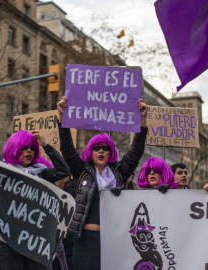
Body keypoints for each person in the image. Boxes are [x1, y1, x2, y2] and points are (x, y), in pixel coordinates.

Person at [57, 96, 148, 270]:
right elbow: (67, 149)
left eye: (105, 148)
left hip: (112, 242)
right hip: (84, 242)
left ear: (110, 152)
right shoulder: (82, 171)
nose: (101, 151)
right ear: (90, 152)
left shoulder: (119, 172)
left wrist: (142, 120)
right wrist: (61, 118)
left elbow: (136, 151)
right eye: (96, 148)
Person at [0, 130, 70, 270]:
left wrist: (46, 145)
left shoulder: (41, 172)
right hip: (9, 241)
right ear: (15, 148)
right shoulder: (1, 172)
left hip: (36, 241)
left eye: (33, 148)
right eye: (25, 147)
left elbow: (64, 172)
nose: (29, 151)